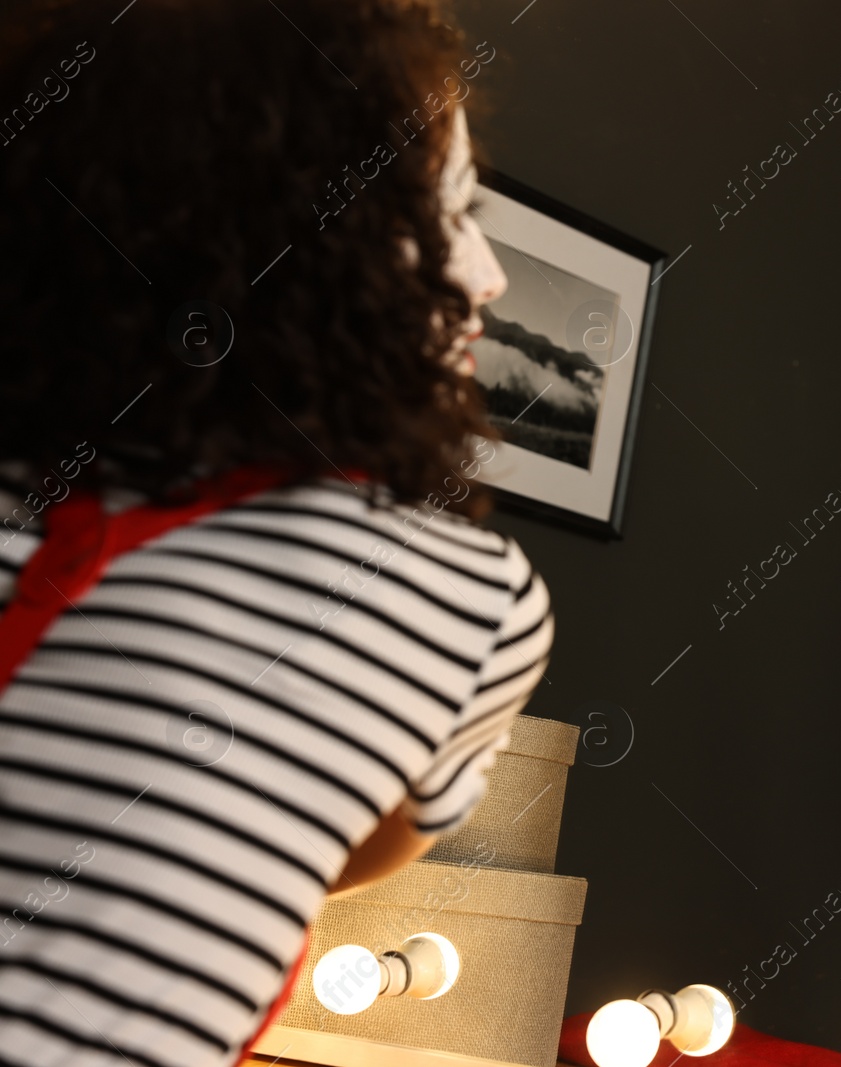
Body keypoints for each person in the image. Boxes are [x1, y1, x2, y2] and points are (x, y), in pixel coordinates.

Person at [0, 2, 551, 1064]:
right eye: (447, 214)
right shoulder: (464, 594)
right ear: (306, 238)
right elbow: (342, 852)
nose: (487, 277)